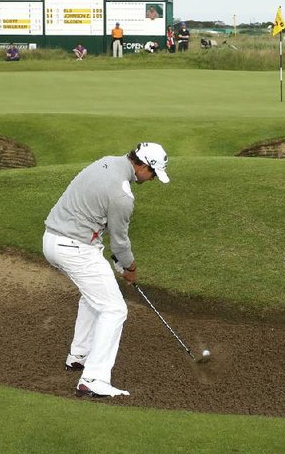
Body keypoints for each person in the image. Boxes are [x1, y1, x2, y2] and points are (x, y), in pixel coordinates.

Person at [43, 142, 170, 398]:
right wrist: (130, 267)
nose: (153, 179)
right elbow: (120, 240)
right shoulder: (123, 195)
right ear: (143, 166)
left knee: (94, 297)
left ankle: (78, 355)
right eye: (153, 174)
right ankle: (93, 378)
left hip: (52, 239)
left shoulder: (107, 161)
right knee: (114, 309)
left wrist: (114, 258)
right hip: (75, 247)